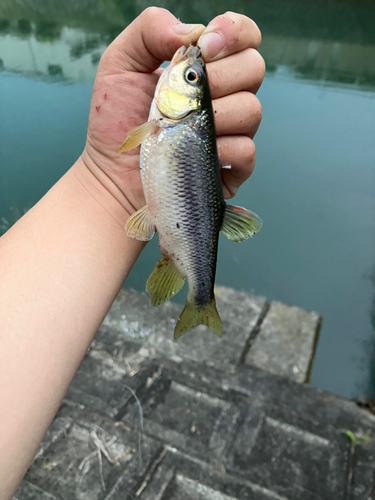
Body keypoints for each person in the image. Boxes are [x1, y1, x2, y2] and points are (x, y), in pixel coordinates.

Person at [0, 8, 265, 498]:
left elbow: (135, 152)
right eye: (192, 76)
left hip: (164, 196)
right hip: (163, 185)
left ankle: (198, 300)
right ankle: (197, 301)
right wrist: (106, 181)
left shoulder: (167, 124)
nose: (186, 69)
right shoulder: (170, 122)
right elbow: (132, 151)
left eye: (189, 76)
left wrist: (106, 188)